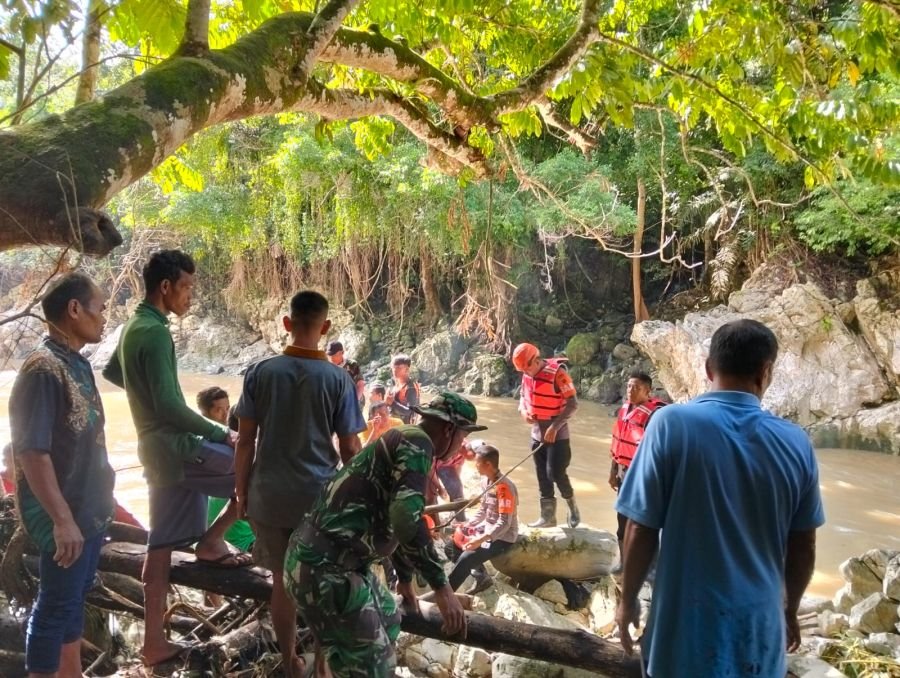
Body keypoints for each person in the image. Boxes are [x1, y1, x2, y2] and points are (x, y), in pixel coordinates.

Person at [614, 319, 825, 678]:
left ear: (708, 368)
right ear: (765, 372)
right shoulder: (796, 442)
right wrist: (788, 611)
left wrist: (628, 601)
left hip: (683, 634)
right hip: (757, 634)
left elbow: (641, 527)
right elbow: (803, 544)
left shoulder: (670, 424)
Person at [103, 250, 249, 667]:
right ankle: (213, 540)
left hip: (154, 451)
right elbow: (170, 406)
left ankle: (153, 643)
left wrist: (144, 401)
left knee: (161, 546)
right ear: (165, 286)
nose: (190, 295)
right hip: (177, 448)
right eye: (186, 287)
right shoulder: (154, 332)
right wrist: (225, 432)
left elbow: (114, 373)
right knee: (254, 471)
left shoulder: (133, 327)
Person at [284, 392, 485, 677]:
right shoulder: (418, 444)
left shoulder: (407, 438)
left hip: (331, 563)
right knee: (375, 668)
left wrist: (405, 579)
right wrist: (442, 589)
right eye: (463, 435)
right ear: (449, 429)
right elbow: (405, 518)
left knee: (390, 618)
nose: (462, 444)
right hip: (325, 568)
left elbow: (395, 516)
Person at [234, 290, 365, 678]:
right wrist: (360, 499)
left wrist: (241, 492)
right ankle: (322, 665)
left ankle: (290, 660)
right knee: (320, 584)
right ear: (325, 328)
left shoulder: (260, 372)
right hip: (318, 501)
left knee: (282, 582)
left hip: (268, 497)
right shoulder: (339, 379)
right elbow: (350, 447)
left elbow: (245, 441)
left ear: (287, 323)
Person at [8, 273, 115, 678]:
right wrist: (62, 519)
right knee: (54, 606)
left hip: (87, 509)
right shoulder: (42, 371)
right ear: (74, 310)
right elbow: (31, 452)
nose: (104, 317)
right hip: (63, 513)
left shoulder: (75, 361)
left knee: (72, 600)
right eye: (100, 308)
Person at [511, 343, 580, 528]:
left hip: (557, 432)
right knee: (542, 475)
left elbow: (573, 404)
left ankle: (572, 506)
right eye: (523, 370)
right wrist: (524, 412)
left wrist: (555, 427)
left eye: (528, 368)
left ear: (536, 360)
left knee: (555, 473)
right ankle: (548, 517)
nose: (526, 373)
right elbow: (523, 398)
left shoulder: (558, 374)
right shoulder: (527, 375)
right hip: (537, 431)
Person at [608, 371, 666, 571]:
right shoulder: (624, 409)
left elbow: (657, 450)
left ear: (648, 392)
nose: (630, 391)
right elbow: (617, 443)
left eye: (637, 388)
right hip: (624, 472)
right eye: (629, 386)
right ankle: (624, 564)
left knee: (643, 523)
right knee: (622, 520)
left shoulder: (654, 415)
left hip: (642, 475)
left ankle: (650, 569)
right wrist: (613, 471)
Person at [447, 442, 518, 595]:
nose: (475, 466)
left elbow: (504, 522)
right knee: (451, 546)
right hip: (486, 529)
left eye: (478, 463)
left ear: (488, 464)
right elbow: (484, 509)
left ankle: (445, 595)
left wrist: (480, 540)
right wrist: (468, 524)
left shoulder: (504, 487)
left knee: (467, 557)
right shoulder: (485, 481)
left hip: (502, 537)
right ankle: (481, 577)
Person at [197, 388, 255, 554]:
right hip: (242, 541)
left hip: (212, 528)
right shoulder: (215, 453)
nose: (224, 414)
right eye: (218, 410)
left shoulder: (222, 446)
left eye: (227, 409)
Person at [326, 340, 366, 410]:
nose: (332, 358)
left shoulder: (352, 365)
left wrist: (354, 401)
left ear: (342, 353)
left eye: (334, 355)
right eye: (330, 355)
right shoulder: (327, 367)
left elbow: (360, 384)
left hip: (354, 401)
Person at [386, 354, 420, 424]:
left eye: (398, 367)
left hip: (405, 426)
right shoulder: (396, 383)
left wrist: (392, 403)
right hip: (394, 422)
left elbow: (410, 412)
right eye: (393, 367)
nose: (395, 370)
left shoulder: (411, 388)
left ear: (407, 369)